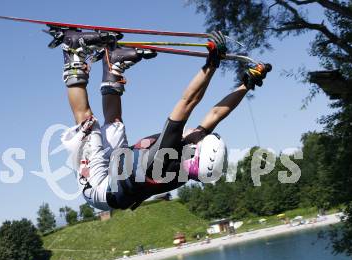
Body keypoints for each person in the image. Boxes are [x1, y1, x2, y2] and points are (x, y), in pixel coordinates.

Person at [58, 30, 270, 211]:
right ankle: (113, 65)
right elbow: (216, 114)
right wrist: (246, 84)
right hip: (119, 171)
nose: (198, 136)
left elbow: (189, 100)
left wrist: (211, 65)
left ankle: (72, 51)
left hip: (99, 187)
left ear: (194, 154)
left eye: (200, 142)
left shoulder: (164, 157)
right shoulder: (189, 162)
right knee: (114, 124)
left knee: (88, 123)